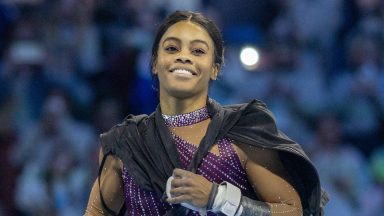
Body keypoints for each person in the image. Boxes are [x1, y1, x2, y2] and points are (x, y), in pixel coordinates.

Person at [85, 11, 327, 216]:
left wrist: (220, 199)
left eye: (198, 51)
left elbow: (293, 210)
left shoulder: (240, 134)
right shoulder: (125, 144)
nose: (184, 56)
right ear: (155, 63)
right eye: (171, 47)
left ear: (215, 69)